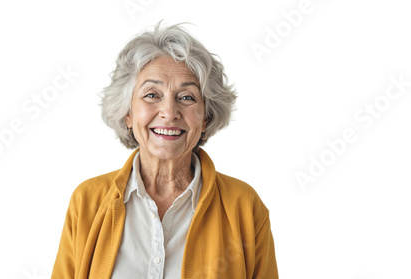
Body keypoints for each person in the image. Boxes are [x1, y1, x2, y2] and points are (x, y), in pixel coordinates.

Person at [51, 22, 278, 278]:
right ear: (127, 113)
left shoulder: (245, 207)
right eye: (151, 95)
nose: (169, 113)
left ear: (205, 118)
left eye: (187, 97)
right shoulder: (87, 202)